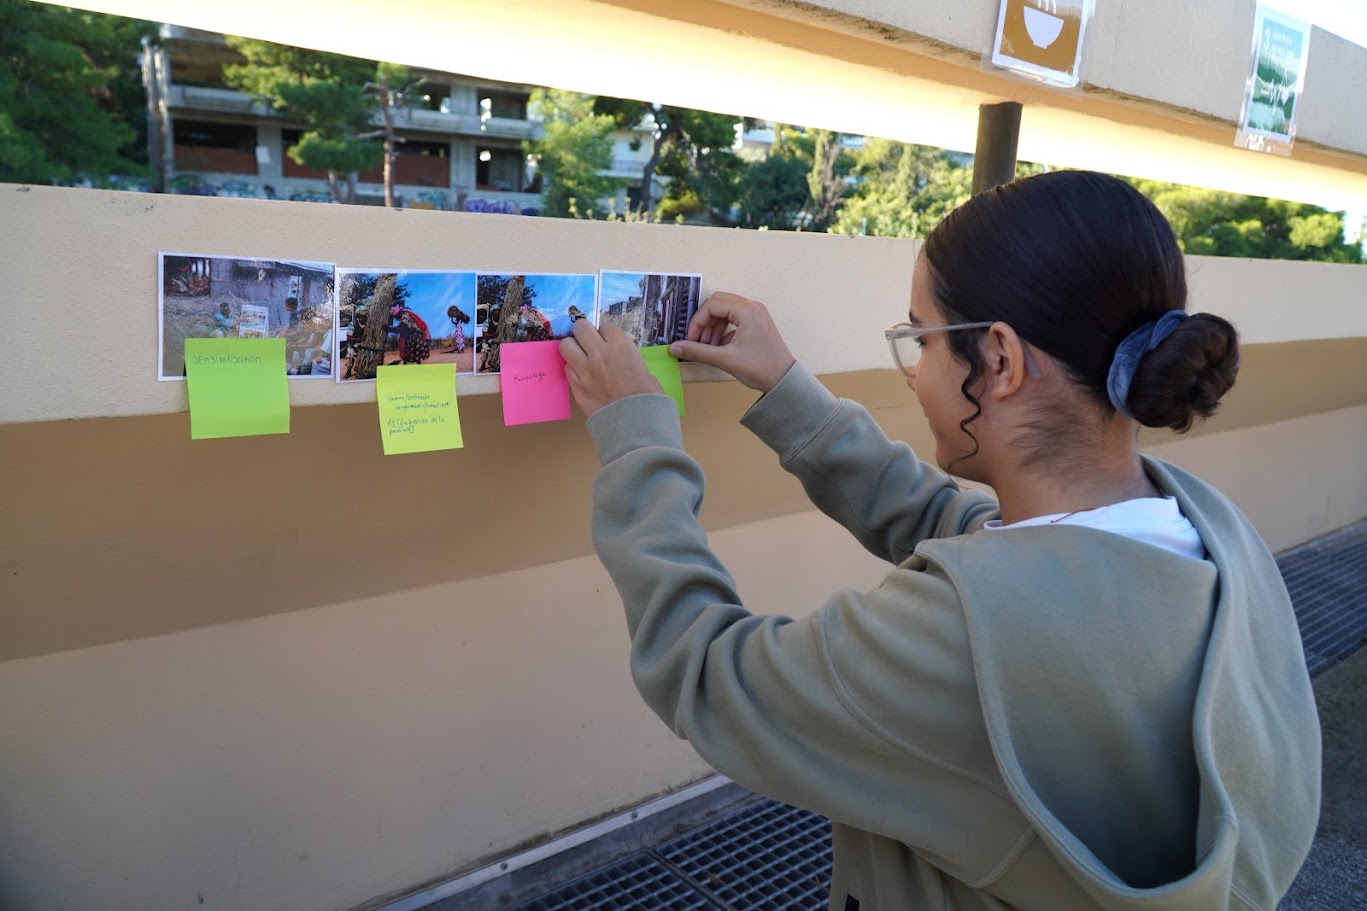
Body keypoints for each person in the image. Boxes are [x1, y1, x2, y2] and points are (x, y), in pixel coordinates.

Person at [557, 170, 1320, 911]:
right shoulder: (1204, 528)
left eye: (921, 339)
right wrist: (789, 390)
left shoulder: (965, 633)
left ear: (997, 358)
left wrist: (636, 441)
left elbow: (710, 674)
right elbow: (970, 531)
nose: (916, 375)